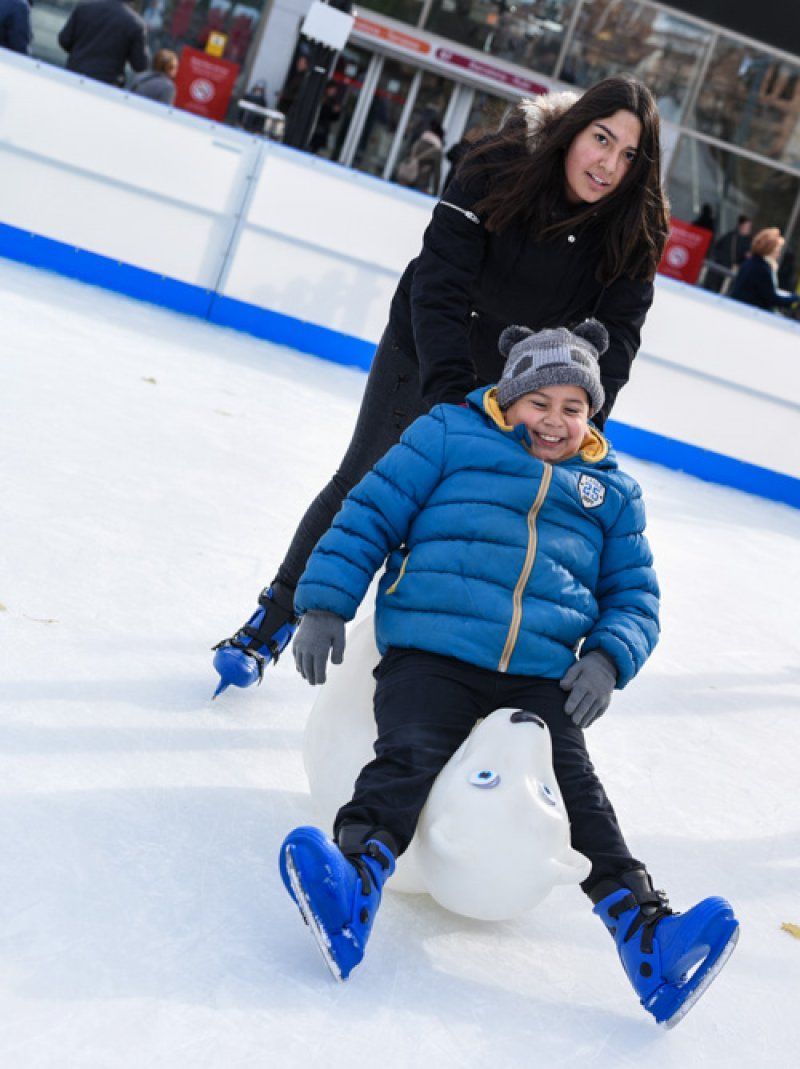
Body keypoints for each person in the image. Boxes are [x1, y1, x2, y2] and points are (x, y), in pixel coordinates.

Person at [277, 321, 738, 1024]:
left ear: (592, 413)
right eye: (539, 402)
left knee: (582, 797)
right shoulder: (447, 436)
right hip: (432, 649)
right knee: (409, 754)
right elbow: (368, 514)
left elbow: (635, 594)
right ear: (507, 397)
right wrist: (324, 604)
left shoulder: (611, 491)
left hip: (539, 676)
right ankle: (354, 883)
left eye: (573, 407)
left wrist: (608, 657)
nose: (555, 420)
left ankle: (649, 937)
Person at [212, 77, 670, 695]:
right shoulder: (499, 165)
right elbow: (440, 282)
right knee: (371, 478)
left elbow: (616, 341)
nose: (609, 164)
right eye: (602, 139)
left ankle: (445, 670)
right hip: (427, 349)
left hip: (529, 387)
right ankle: (275, 616)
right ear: (573, 130)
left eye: (630, 154)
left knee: (489, 514)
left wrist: (581, 419)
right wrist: (450, 395)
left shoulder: (636, 227)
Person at [57, 0, 149, 87]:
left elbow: (64, 40)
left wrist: (80, 52)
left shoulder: (84, 7)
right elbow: (140, 65)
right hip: (106, 85)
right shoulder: (135, 24)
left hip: (74, 74)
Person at [726, 227, 796, 312]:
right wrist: (793, 298)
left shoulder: (751, 262)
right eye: (777, 249)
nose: (779, 253)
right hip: (748, 311)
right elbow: (771, 298)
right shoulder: (763, 269)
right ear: (770, 249)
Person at [395, 115, 446, 195]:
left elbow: (406, 156)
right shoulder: (437, 151)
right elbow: (437, 174)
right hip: (420, 185)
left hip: (406, 179)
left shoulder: (418, 142)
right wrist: (435, 193)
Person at [703, 214, 751, 293]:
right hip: (724, 269)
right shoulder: (734, 238)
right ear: (741, 226)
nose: (748, 229)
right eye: (747, 226)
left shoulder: (740, 238)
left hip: (723, 269)